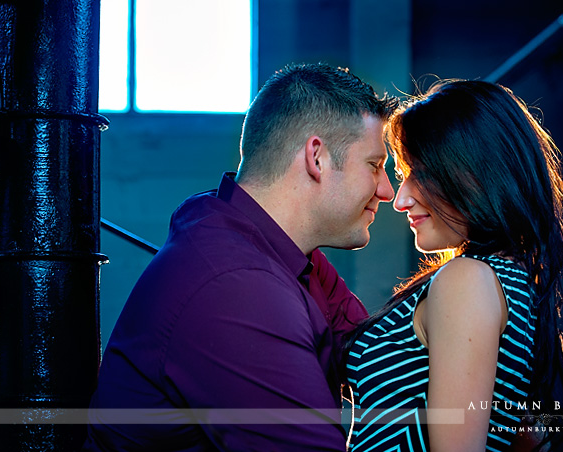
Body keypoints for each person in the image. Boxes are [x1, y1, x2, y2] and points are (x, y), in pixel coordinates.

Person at [83, 63, 399, 451]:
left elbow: (377, 355)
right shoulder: (238, 288)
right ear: (317, 158)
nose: (387, 191)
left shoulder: (279, 248)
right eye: (375, 165)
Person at [346, 79, 563, 452]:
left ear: (476, 173)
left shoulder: (468, 279)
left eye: (419, 174)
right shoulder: (506, 281)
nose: (401, 198)